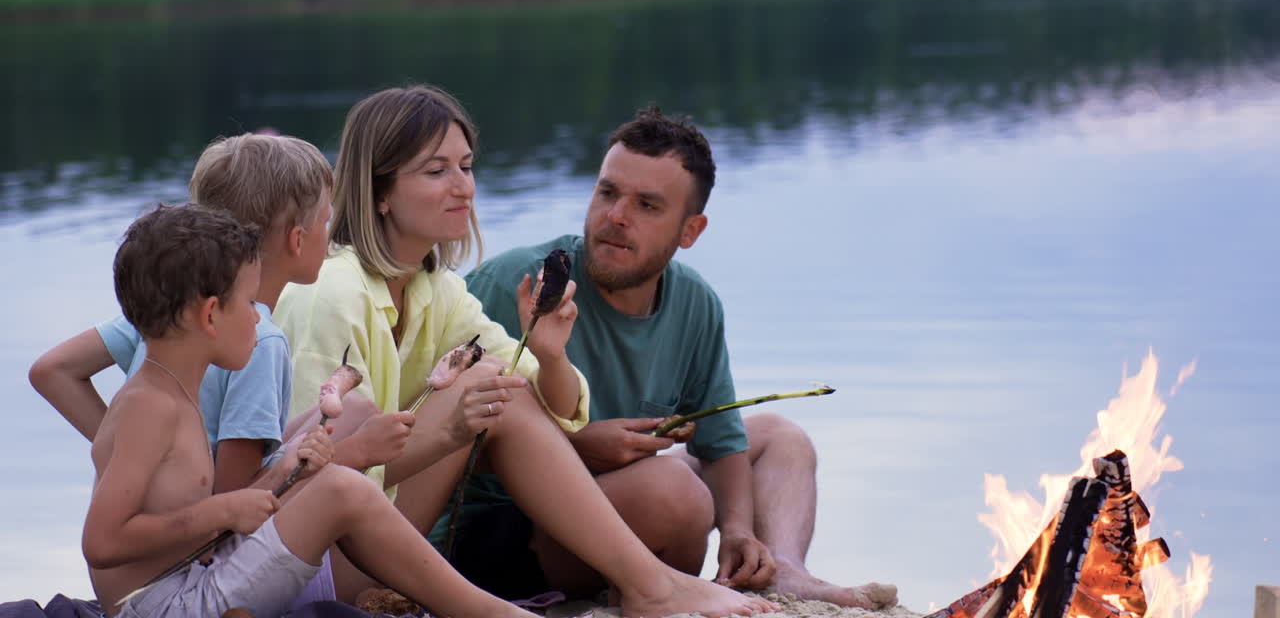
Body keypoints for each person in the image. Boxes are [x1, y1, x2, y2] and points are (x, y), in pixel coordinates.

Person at [274, 84, 776, 617]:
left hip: (380, 540)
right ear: (381, 192)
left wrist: (551, 355)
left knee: (500, 384)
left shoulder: (436, 291)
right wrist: (449, 430)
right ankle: (652, 588)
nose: (464, 187)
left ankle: (653, 586)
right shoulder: (329, 293)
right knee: (491, 386)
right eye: (436, 171)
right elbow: (306, 481)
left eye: (466, 167)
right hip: (314, 559)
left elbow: (553, 406)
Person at [460, 106, 899, 609]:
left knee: (781, 439)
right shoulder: (517, 283)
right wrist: (575, 447)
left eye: (647, 205)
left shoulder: (695, 302)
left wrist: (737, 529)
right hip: (506, 535)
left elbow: (721, 442)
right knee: (677, 491)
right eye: (608, 192)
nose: (615, 216)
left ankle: (784, 572)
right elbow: (439, 439)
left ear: (690, 231)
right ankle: (653, 592)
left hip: (614, 500)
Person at [84, 203, 541, 618]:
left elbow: (196, 520)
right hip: (166, 605)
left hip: (191, 579)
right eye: (249, 303)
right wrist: (222, 511)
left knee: (329, 465)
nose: (258, 317)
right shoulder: (149, 408)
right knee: (342, 489)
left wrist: (285, 470)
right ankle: (492, 614)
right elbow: (102, 542)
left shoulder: (174, 391)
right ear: (209, 316)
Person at [29, 133, 411, 606]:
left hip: (167, 541)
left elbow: (52, 370)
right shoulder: (260, 340)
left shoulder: (169, 309)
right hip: (193, 561)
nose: (331, 236)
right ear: (297, 240)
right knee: (347, 462)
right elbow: (235, 504)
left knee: (354, 410)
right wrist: (352, 455)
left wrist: (126, 456)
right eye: (326, 220)